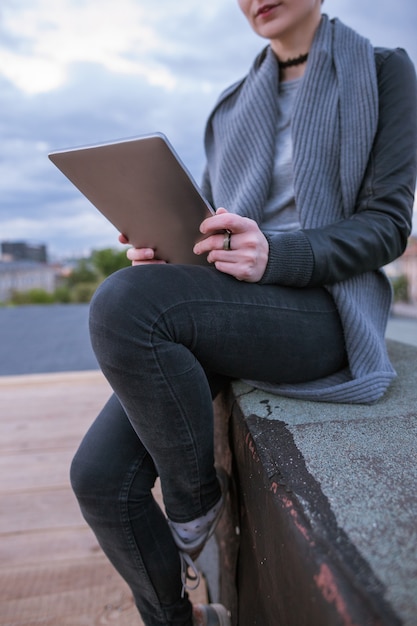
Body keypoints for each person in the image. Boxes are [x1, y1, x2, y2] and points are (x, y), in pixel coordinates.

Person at [70, 1, 417, 625]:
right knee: (99, 479)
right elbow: (210, 220)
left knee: (121, 304)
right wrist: (170, 251)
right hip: (234, 302)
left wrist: (277, 252)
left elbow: (388, 226)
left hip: (322, 309)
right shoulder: (233, 103)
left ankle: (195, 501)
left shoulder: (386, 70)